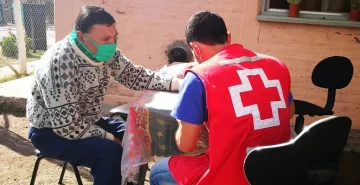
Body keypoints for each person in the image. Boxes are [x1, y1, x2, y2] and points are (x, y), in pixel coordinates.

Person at [26, 5, 182, 185]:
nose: (112, 44)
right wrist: (110, 138)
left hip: (86, 121)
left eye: (115, 37)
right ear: (81, 37)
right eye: (106, 39)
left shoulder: (105, 52)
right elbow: (67, 127)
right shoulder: (60, 63)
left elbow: (134, 76)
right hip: (51, 132)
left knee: (137, 136)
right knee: (111, 152)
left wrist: (176, 83)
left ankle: (128, 181)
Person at [150, 11, 295, 185]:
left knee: (158, 171)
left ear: (194, 48)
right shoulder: (276, 65)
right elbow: (290, 112)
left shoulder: (198, 77)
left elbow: (185, 145)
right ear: (229, 37)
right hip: (276, 169)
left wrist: (183, 119)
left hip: (232, 176)